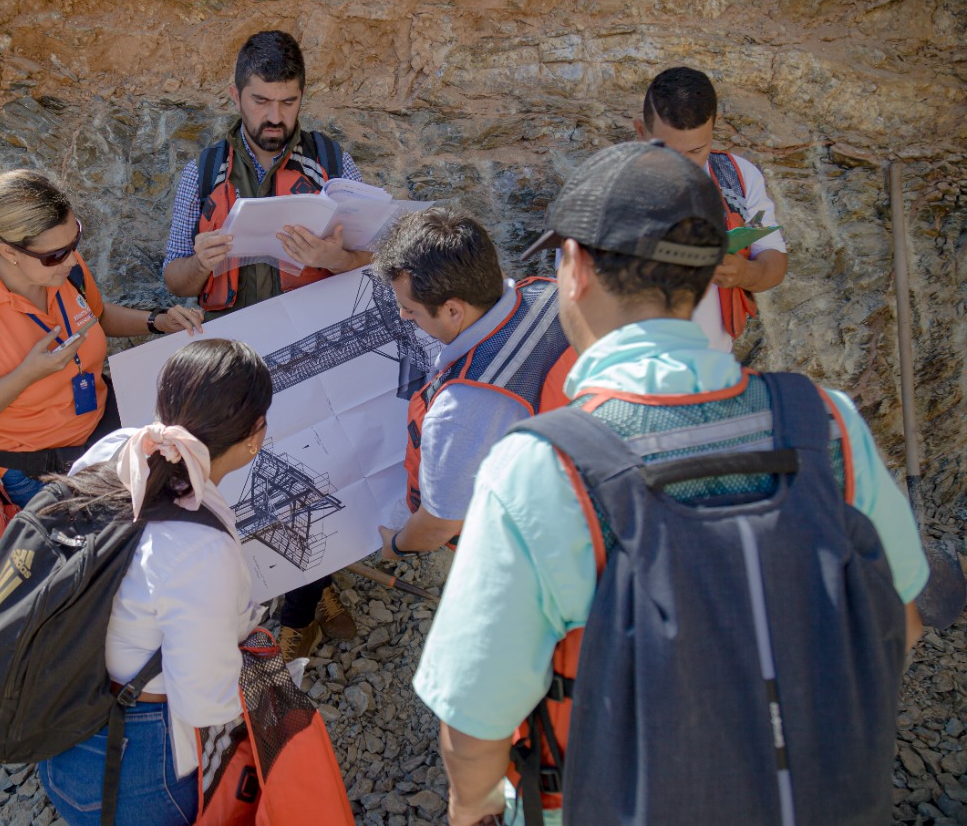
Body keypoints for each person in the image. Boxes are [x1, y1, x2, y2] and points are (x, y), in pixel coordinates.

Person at [412, 142, 928, 825]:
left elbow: (475, 717)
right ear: (715, 271)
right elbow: (906, 621)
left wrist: (470, 807)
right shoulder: (828, 422)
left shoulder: (541, 466)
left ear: (577, 268)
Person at [162, 30, 363, 659]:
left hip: (315, 349)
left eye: (288, 102)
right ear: (236, 95)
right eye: (261, 101)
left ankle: (300, 613)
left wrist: (336, 255)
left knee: (321, 476)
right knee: (237, 485)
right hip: (231, 361)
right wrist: (198, 263)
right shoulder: (200, 173)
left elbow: (380, 262)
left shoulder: (335, 162)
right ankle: (258, 605)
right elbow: (172, 277)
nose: (275, 118)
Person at [35, 338, 272, 825]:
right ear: (256, 434)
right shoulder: (201, 548)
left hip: (61, 713)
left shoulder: (114, 449)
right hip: (136, 757)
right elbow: (204, 698)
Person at [0, 169, 202, 508]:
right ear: (9, 252)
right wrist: (27, 374)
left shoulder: (64, 267)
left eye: (75, 241)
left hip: (105, 438)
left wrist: (157, 321)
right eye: (56, 254)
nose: (71, 260)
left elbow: (96, 317)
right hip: (38, 474)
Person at [368, 207, 574, 560]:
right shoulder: (554, 293)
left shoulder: (462, 406)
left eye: (411, 309)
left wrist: (397, 544)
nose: (403, 315)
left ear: (452, 311)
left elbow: (440, 523)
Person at [634, 66, 788, 351]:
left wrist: (744, 274)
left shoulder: (738, 177)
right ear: (641, 132)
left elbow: (774, 262)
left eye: (696, 151)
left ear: (714, 126)